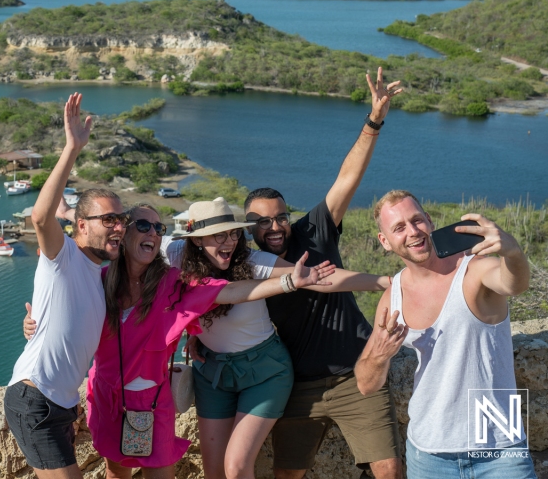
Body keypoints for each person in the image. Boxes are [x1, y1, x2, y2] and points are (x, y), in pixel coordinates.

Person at [186, 67, 405, 479]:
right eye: (261, 221)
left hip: (354, 375)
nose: (274, 226)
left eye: (281, 217)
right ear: (245, 228)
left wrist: (374, 121)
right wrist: (191, 335)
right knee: (288, 475)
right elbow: (203, 298)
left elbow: (348, 177)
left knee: (389, 469)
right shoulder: (241, 262)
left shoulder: (314, 231)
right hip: (295, 386)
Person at [87, 204, 336, 479]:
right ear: (124, 232)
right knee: (116, 473)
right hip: (108, 397)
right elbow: (67, 315)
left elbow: (229, 291)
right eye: (144, 226)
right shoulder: (98, 282)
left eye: (159, 228)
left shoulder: (172, 283)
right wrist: (33, 323)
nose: (154, 233)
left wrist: (289, 282)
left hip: (153, 401)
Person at [163, 198, 389, 479]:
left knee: (235, 466)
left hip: (264, 371)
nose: (230, 242)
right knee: (214, 471)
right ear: (197, 240)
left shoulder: (255, 262)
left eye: (234, 233)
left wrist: (387, 282)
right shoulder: (176, 254)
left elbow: (320, 278)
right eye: (219, 235)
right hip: (213, 372)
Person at [354, 190, 537, 478]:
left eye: (417, 220)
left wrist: (511, 251)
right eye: (399, 227)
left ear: (429, 220)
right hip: (428, 452)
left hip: (500, 446)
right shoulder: (393, 298)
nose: (413, 232)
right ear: (385, 241)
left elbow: (515, 284)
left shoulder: (474, 269)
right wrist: (379, 355)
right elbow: (366, 384)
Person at [3, 93, 128, 479]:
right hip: (34, 397)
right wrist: (72, 149)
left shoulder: (101, 275)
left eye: (121, 219)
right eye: (109, 220)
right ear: (81, 226)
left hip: (61, 404)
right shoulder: (63, 258)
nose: (119, 227)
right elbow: (41, 216)